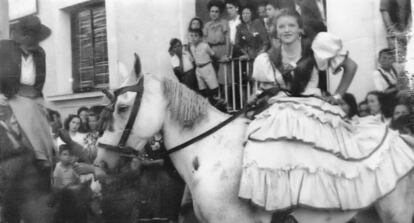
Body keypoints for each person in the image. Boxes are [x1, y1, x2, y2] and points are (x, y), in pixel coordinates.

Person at [238, 9, 414, 214]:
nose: (286, 30)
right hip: (282, 105)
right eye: (281, 27)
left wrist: (338, 95)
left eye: (291, 26)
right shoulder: (267, 59)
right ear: (275, 31)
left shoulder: (317, 48)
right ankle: (285, 207)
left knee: (323, 159)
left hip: (313, 107)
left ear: (300, 29)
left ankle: (327, 206)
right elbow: (268, 87)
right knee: (269, 149)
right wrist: (257, 96)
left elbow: (351, 66)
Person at [0, 15, 55, 176]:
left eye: (37, 39)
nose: (36, 43)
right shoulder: (3, 49)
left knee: (45, 117)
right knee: (27, 110)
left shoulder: (40, 54)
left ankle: (49, 155)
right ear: (23, 37)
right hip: (8, 94)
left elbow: (39, 82)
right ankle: (40, 155)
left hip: (31, 95)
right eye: (32, 38)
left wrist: (37, 97)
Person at [137, 134, 185, 223]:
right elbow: (139, 158)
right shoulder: (143, 137)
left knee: (164, 197)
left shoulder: (167, 135)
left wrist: (161, 162)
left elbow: (169, 158)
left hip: (166, 175)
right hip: (148, 176)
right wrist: (147, 162)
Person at [188, 28, 220, 104]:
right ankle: (206, 104)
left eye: (196, 36)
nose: (193, 38)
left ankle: (216, 103)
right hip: (198, 70)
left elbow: (214, 55)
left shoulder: (205, 46)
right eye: (191, 36)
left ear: (201, 37)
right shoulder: (191, 47)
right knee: (202, 89)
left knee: (213, 87)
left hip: (207, 67)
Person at [204, 0, 230, 89]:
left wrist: (227, 54)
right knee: (212, 78)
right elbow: (205, 41)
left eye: (216, 11)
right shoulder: (207, 25)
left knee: (223, 78)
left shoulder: (224, 22)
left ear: (220, 13)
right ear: (209, 13)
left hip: (222, 50)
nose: (214, 14)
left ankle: (224, 98)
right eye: (212, 11)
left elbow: (227, 39)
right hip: (211, 52)